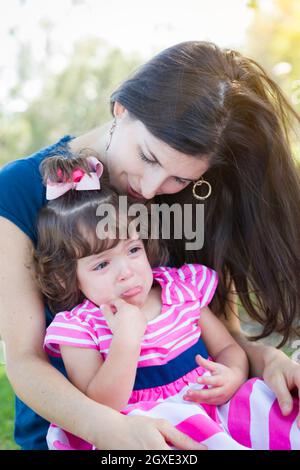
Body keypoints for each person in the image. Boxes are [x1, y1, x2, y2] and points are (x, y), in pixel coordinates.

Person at [0, 41, 299, 450]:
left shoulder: (194, 194)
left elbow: (218, 332)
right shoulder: (16, 191)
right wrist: (113, 431)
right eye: (148, 157)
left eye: (179, 179)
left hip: (203, 413)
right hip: (89, 431)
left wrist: (266, 360)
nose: (151, 189)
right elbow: (24, 360)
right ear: (121, 108)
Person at [36, 153, 300, 450]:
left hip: (217, 408)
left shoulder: (178, 291)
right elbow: (101, 404)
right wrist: (127, 339)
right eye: (101, 265)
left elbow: (226, 347)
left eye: (133, 250)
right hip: (148, 432)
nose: (126, 272)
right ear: (67, 278)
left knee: (279, 416)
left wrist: (234, 373)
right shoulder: (80, 328)